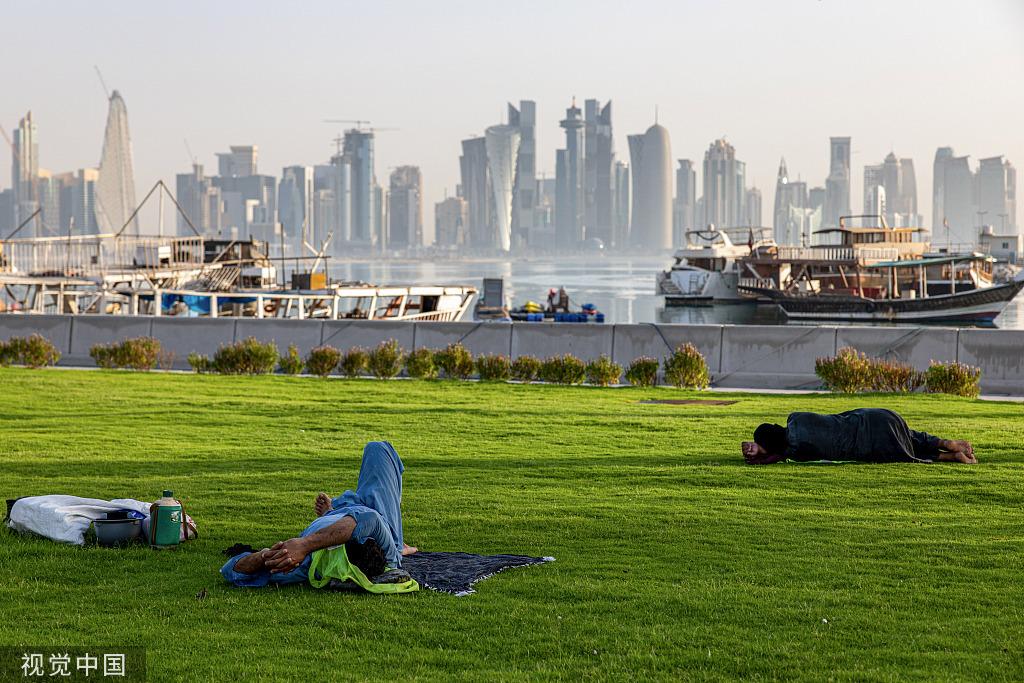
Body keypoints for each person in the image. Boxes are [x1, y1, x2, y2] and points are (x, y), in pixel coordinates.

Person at [221, 441, 417, 587]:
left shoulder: (307, 564)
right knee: (378, 449)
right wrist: (305, 544)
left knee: (375, 458)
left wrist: (265, 556)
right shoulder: (386, 553)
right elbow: (370, 519)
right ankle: (398, 542)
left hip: (345, 514)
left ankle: (330, 513)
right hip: (380, 517)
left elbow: (231, 570)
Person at [742, 408, 977, 465]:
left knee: (901, 452)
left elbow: (779, 454)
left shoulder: (796, 448)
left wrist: (759, 456)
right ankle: (948, 443)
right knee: (908, 436)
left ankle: (950, 457)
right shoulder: (796, 418)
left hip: (865, 440)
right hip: (873, 417)